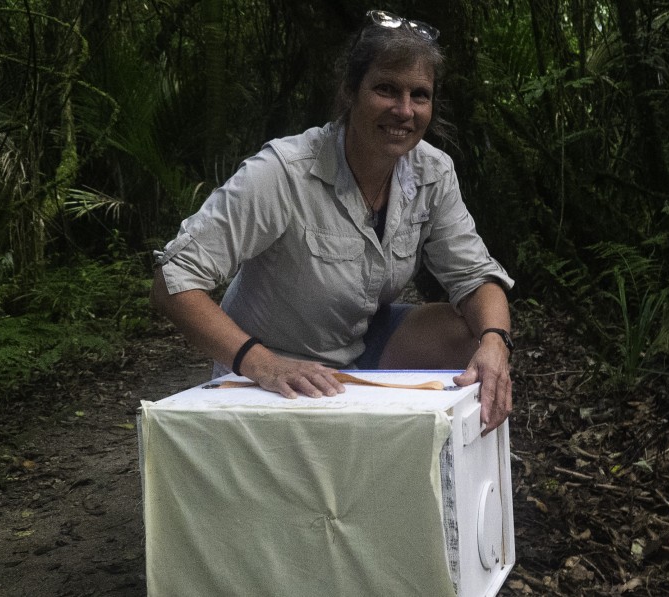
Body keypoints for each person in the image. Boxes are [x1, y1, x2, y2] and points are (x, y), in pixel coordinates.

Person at [151, 10, 515, 433]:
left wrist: (496, 342)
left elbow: (475, 276)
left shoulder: (432, 172)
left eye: (420, 95)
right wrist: (261, 362)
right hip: (274, 365)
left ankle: (438, 468)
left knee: (474, 332)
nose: (404, 110)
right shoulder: (284, 171)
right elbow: (172, 279)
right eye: (385, 89)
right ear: (350, 92)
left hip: (360, 348)